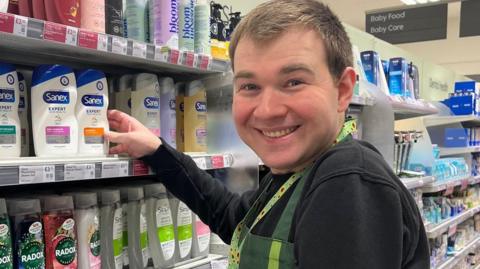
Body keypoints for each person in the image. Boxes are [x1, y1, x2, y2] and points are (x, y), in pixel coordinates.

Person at [106, 0, 430, 268]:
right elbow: (230, 216)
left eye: (293, 82)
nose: (267, 110)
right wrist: (157, 151)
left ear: (342, 89)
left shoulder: (346, 181)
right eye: (249, 86)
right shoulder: (295, 172)